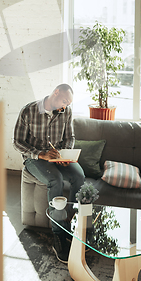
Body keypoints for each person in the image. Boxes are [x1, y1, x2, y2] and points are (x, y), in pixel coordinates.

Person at [13, 83, 85, 263]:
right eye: (64, 101)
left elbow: (70, 137)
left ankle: (68, 222)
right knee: (55, 179)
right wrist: (40, 154)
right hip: (35, 159)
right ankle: (58, 236)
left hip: (58, 155)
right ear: (55, 93)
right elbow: (17, 142)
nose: (65, 106)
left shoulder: (65, 112)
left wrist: (65, 153)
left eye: (68, 103)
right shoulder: (28, 111)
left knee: (79, 176)